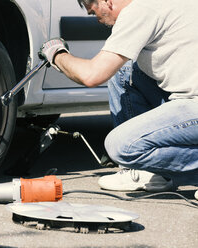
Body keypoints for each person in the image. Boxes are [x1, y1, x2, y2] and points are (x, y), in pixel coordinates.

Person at [39, 0, 198, 200]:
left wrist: (56, 54)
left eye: (94, 13)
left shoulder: (139, 11)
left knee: (120, 146)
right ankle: (148, 173)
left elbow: (92, 75)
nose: (98, 21)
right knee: (123, 70)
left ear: (108, 2)